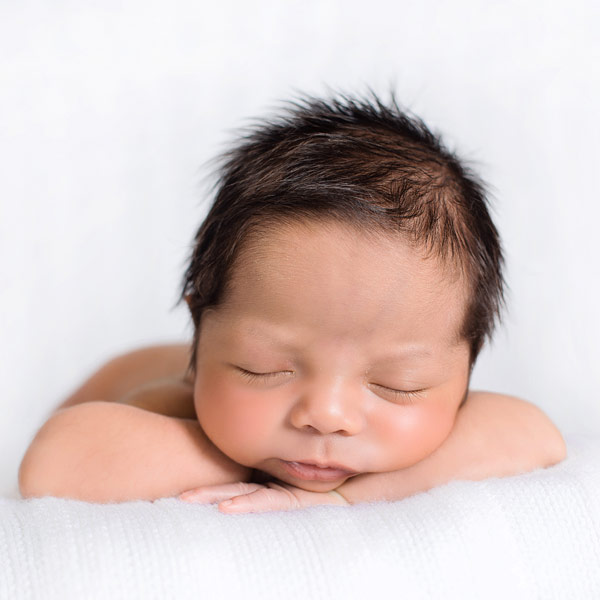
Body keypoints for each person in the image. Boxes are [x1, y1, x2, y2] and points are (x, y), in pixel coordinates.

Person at [18, 93, 566, 513]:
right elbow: (53, 461)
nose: (326, 415)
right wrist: (254, 468)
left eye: (398, 384)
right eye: (265, 369)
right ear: (200, 331)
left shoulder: (463, 417)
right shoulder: (168, 403)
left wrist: (340, 499)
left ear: (467, 367)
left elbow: (534, 435)